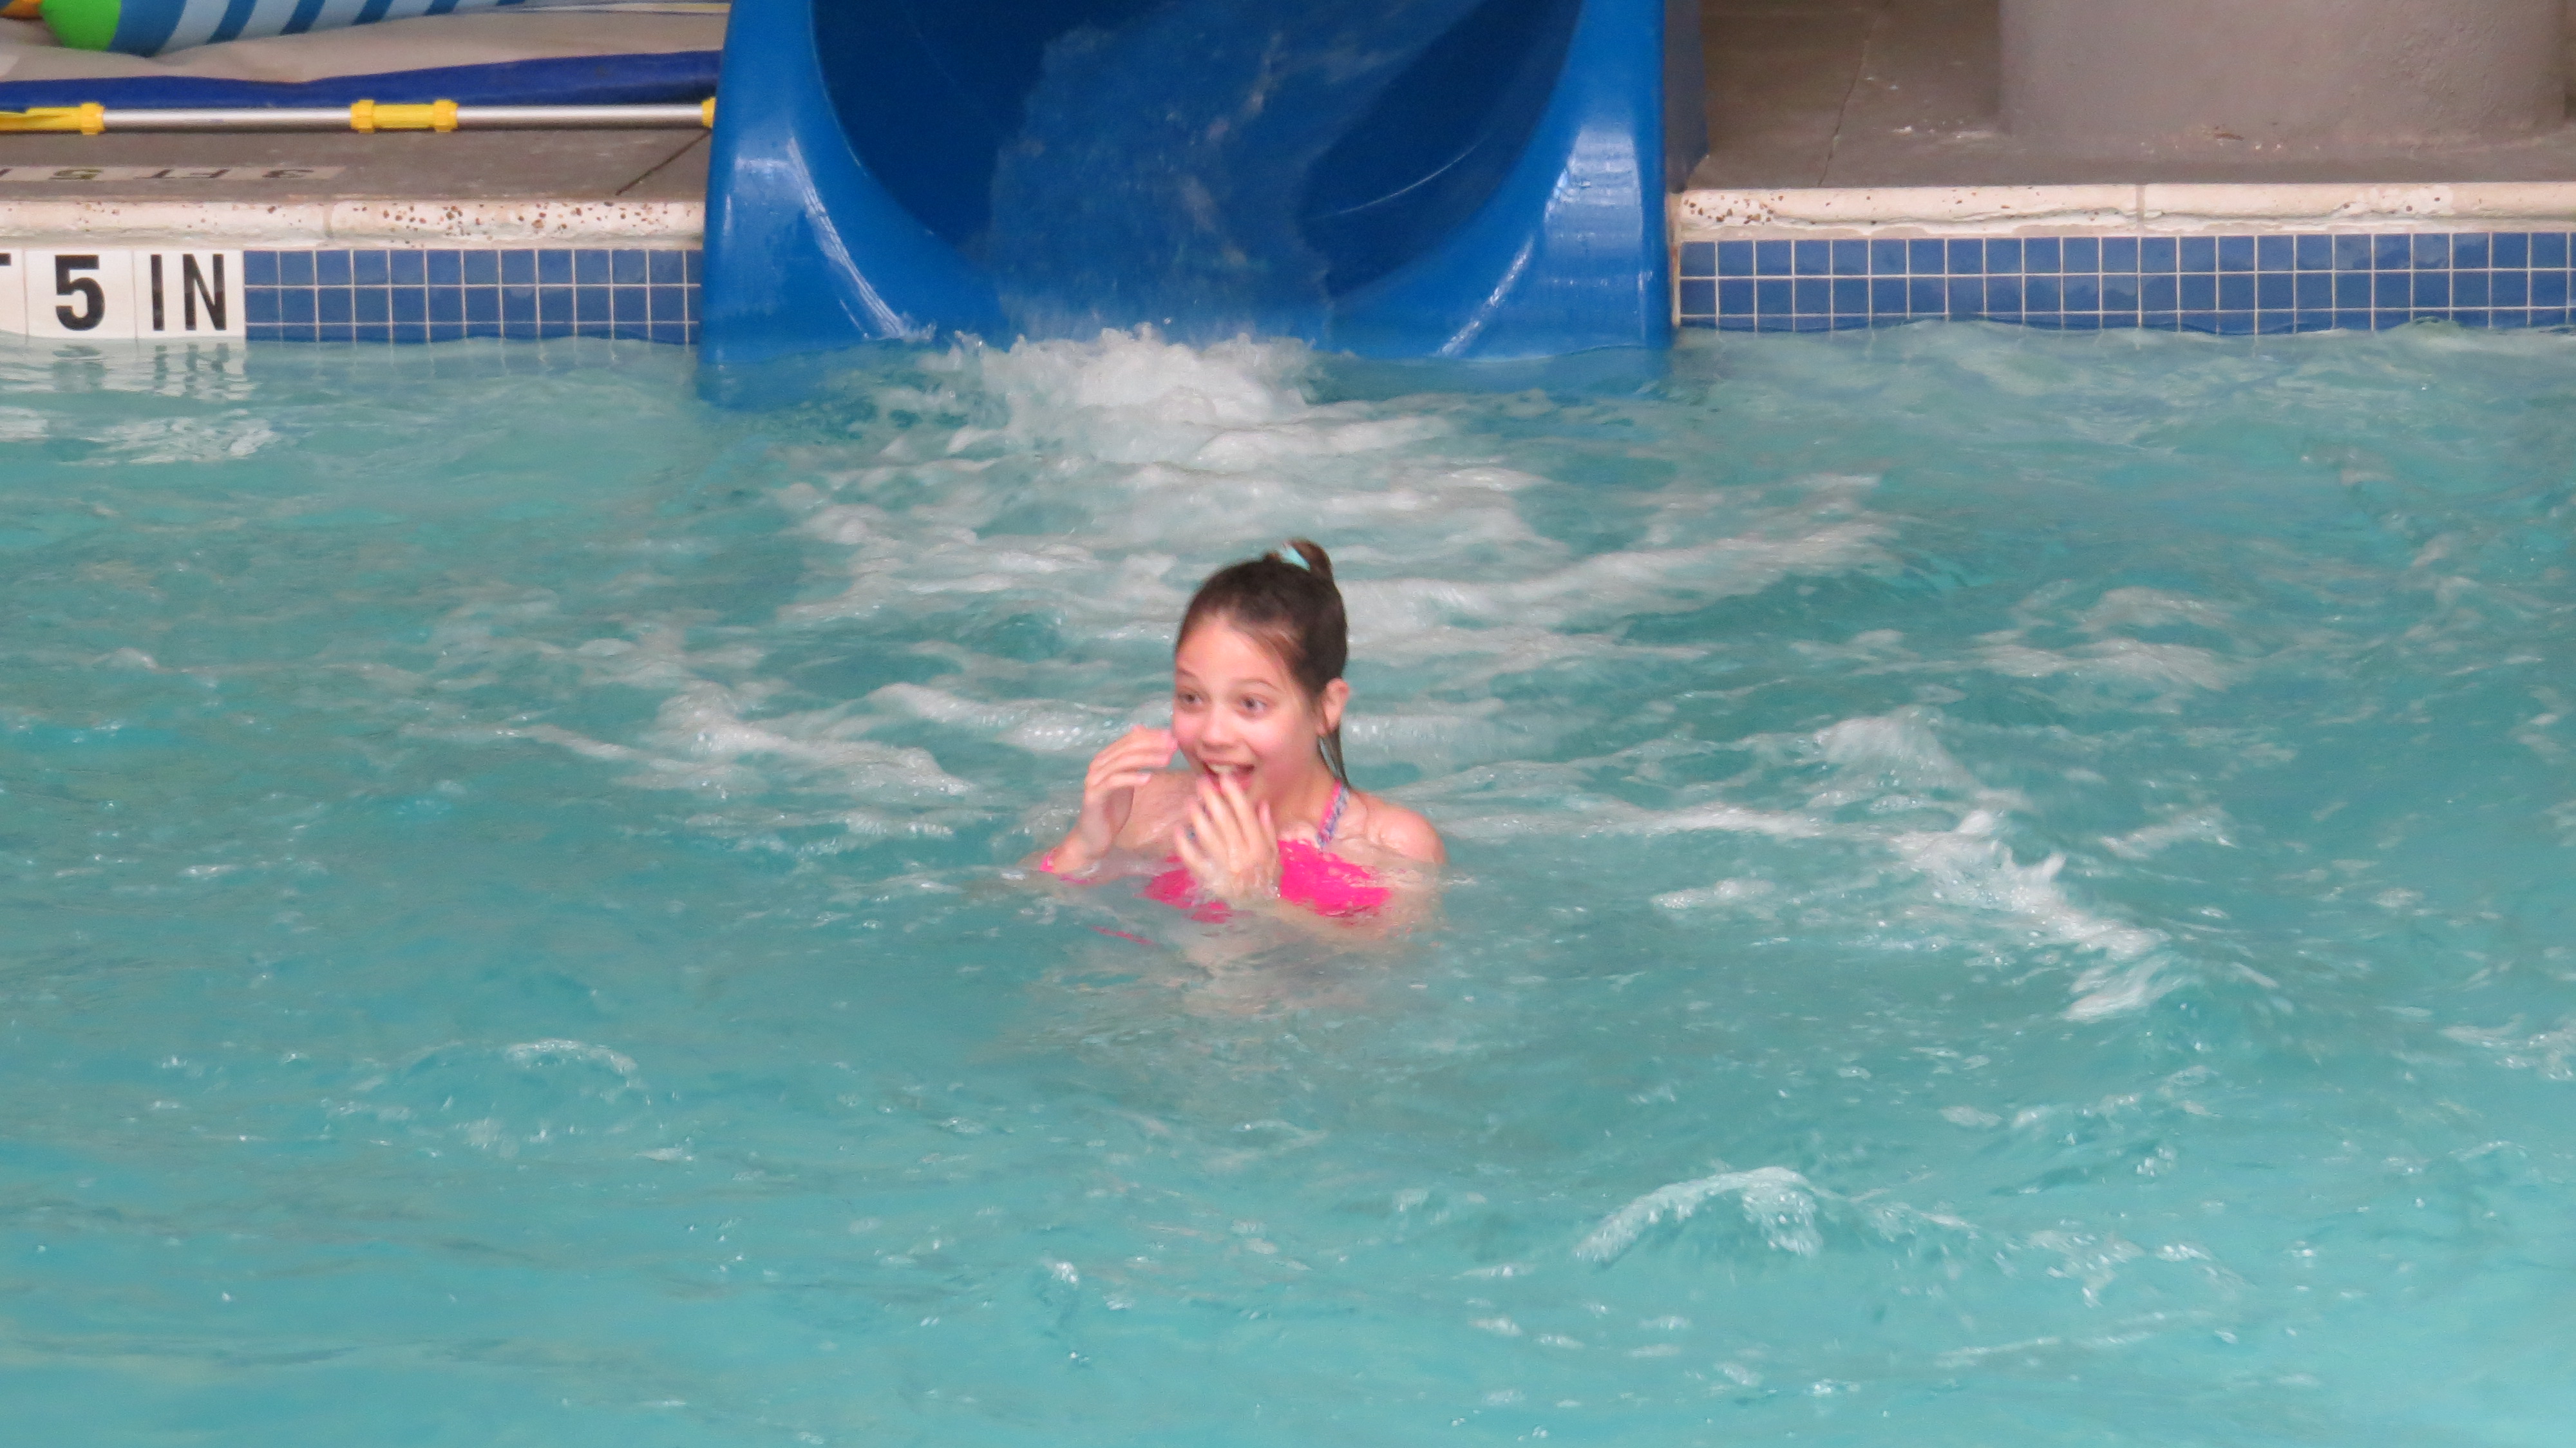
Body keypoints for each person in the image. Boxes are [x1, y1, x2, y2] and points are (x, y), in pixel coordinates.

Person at [1037, 538, 1444, 925]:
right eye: (1191, 698)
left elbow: (1380, 965)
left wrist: (1258, 902)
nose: (1213, 736)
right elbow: (1030, 911)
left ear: (1326, 708)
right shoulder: (1144, 806)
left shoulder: (1391, 847)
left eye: (1251, 704)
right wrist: (1084, 846)